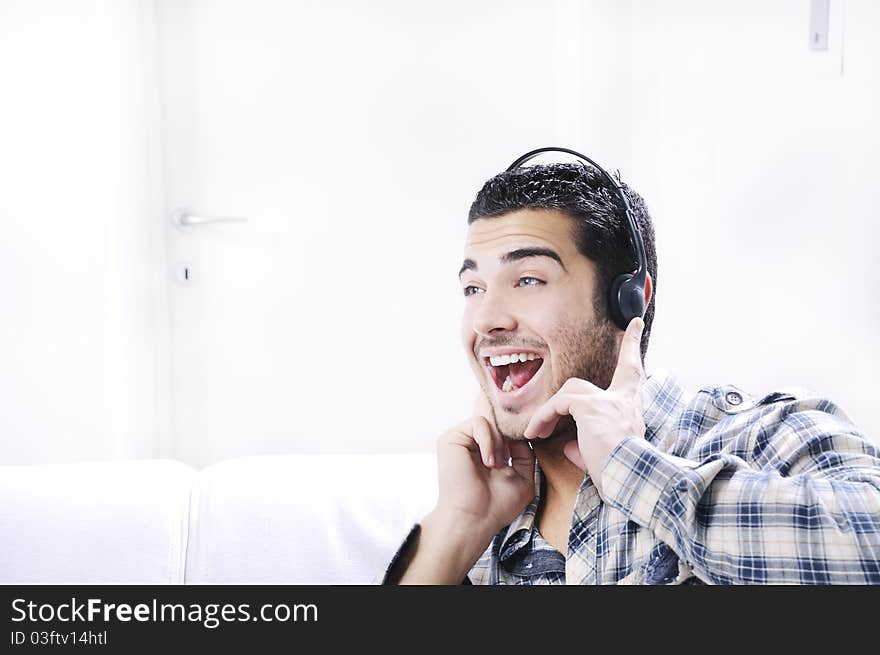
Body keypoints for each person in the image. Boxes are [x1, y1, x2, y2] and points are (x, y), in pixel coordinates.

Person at [382, 153, 880, 585]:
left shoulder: (762, 437)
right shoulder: (487, 520)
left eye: (528, 279)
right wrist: (457, 526)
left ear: (627, 303)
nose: (487, 321)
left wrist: (631, 467)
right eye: (473, 289)